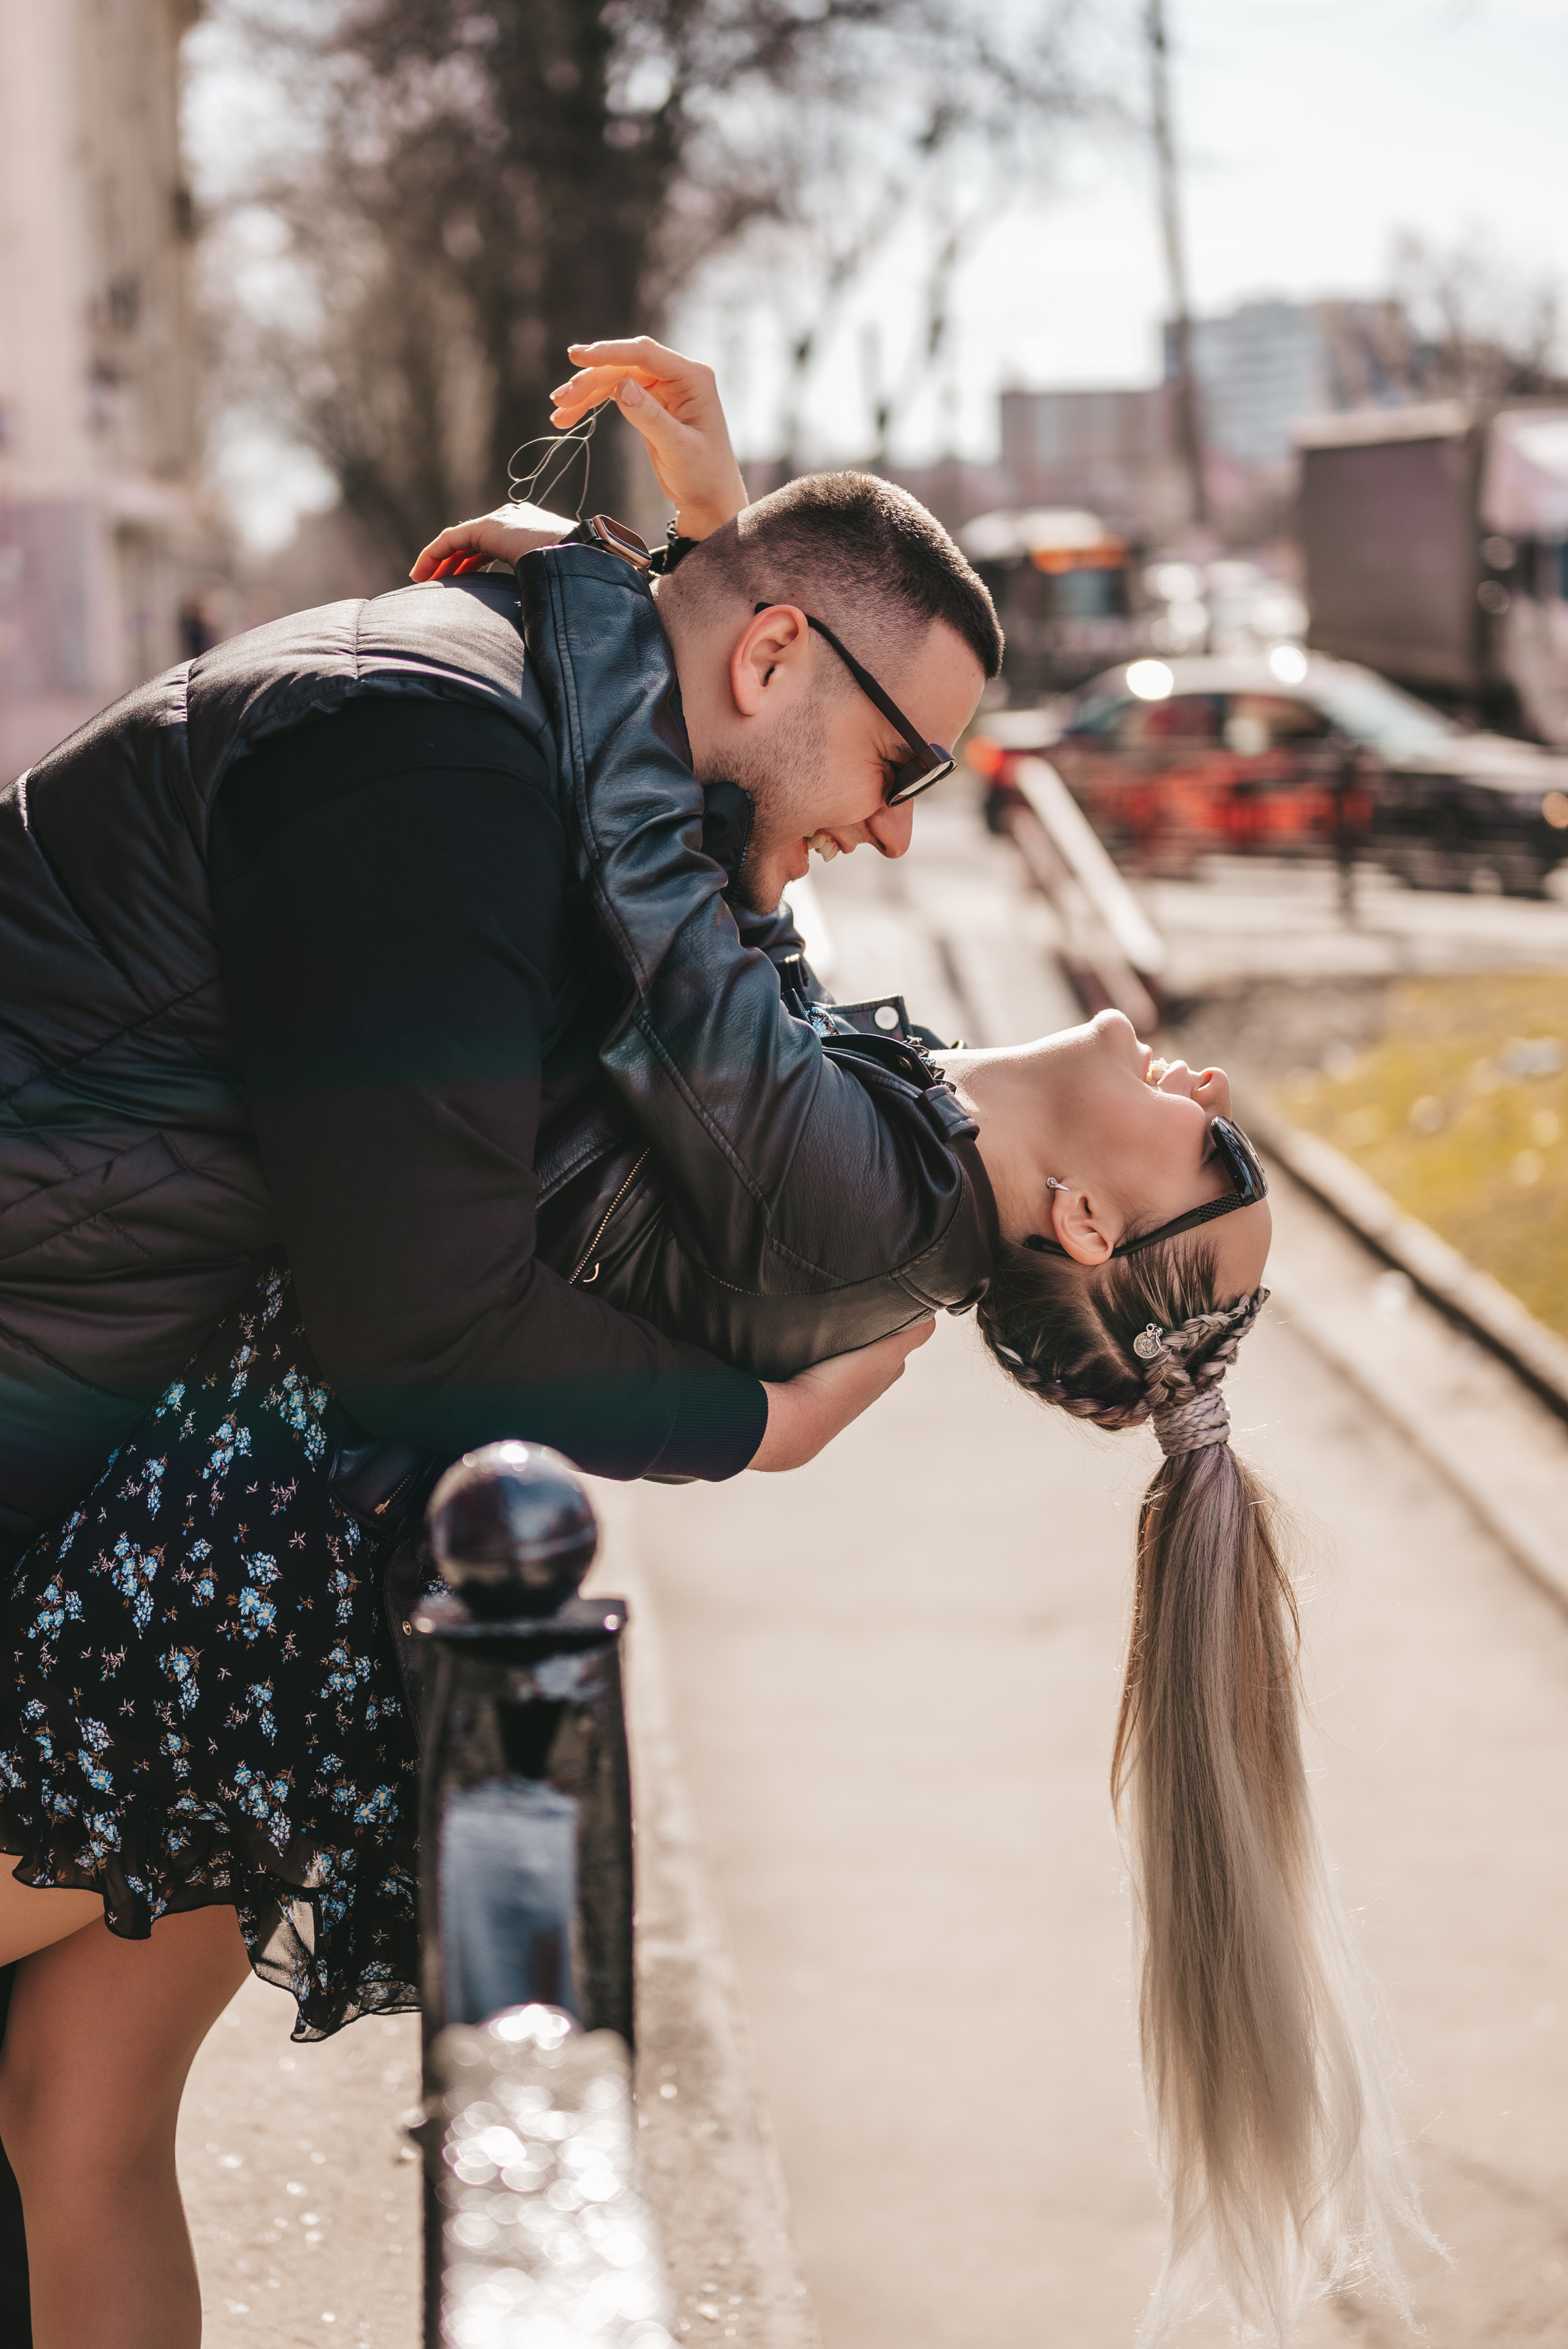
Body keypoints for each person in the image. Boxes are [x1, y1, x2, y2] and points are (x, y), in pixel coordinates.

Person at [0, 361, 1428, 2340]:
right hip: (243, 1528)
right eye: (910, 768)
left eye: (1218, 1145)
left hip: (225, 1553)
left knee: (76, 2127)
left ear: (1095, 1231)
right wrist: (655, 564)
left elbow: (684, 915)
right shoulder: (882, 1138)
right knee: (77, 2119)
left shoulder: (865, 1201)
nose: (903, 833)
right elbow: (714, 920)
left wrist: (621, 580)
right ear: (779, 650)